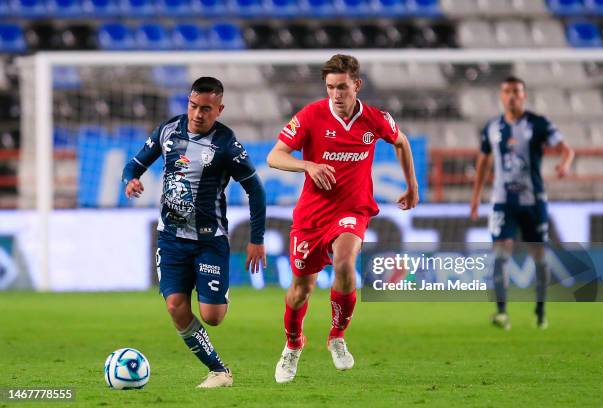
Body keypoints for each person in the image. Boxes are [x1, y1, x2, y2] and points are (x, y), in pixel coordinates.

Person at [267, 54, 419, 383]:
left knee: (345, 263)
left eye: (342, 87)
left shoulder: (375, 119)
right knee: (300, 290)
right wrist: (308, 165)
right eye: (330, 87)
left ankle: (337, 336)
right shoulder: (311, 116)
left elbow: (401, 142)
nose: (336, 94)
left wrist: (412, 186)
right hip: (312, 215)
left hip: (353, 210)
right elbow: (274, 155)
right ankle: (293, 345)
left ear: (357, 85)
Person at [122, 77, 267, 388]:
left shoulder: (227, 144)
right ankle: (219, 371)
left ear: (219, 109)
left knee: (213, 316)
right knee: (175, 305)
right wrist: (130, 180)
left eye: (206, 109)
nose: (197, 114)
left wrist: (257, 239)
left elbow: (255, 189)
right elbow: (133, 165)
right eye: (192, 106)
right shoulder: (168, 131)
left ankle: (217, 297)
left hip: (208, 240)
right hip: (171, 238)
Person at [470, 76, 574, 330]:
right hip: (502, 202)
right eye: (507, 91)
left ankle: (540, 311)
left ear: (524, 95)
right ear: (501, 96)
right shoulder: (492, 127)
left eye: (516, 91)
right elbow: (483, 162)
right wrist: (475, 197)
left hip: (533, 201)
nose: (512, 96)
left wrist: (564, 164)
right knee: (501, 254)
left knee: (538, 256)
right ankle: (502, 312)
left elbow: (566, 149)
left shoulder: (538, 123)